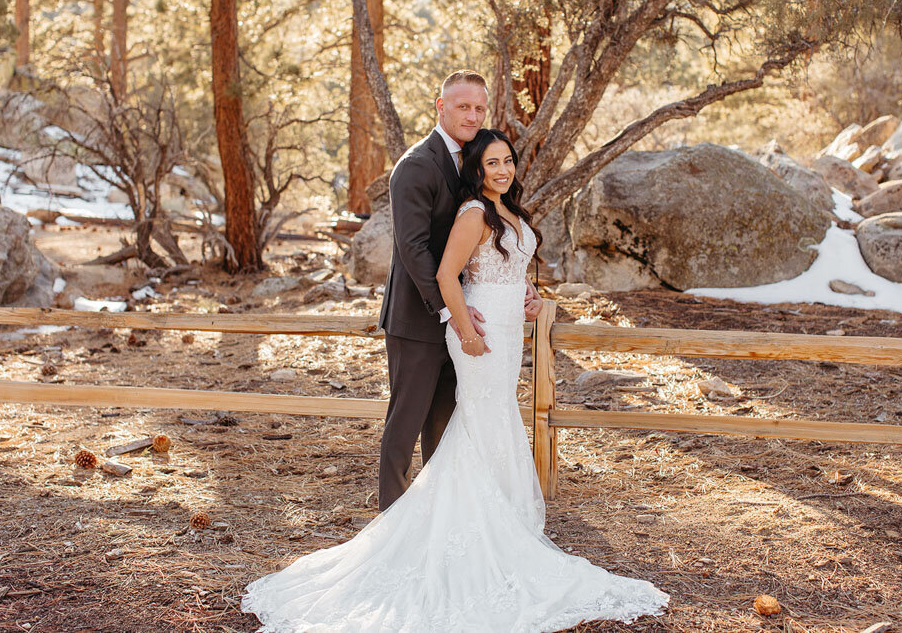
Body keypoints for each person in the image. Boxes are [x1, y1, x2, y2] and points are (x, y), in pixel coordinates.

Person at [240, 126, 668, 631]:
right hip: (478, 329)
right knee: (479, 415)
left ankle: (502, 520)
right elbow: (447, 275)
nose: (503, 170)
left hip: (509, 329)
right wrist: (463, 329)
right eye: (492, 164)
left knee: (495, 415)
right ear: (477, 170)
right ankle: (458, 528)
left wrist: (531, 297)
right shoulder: (472, 213)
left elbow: (513, 266)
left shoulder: (510, 211)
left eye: (508, 160)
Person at [373, 70, 540, 512]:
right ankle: (392, 514)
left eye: (479, 107)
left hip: (474, 316)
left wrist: (516, 287)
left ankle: (441, 512)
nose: (472, 114)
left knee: (447, 423)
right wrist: (453, 310)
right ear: (440, 106)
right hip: (420, 314)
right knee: (406, 421)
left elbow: (490, 239)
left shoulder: (478, 159)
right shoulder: (415, 166)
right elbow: (413, 247)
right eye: (462, 106)